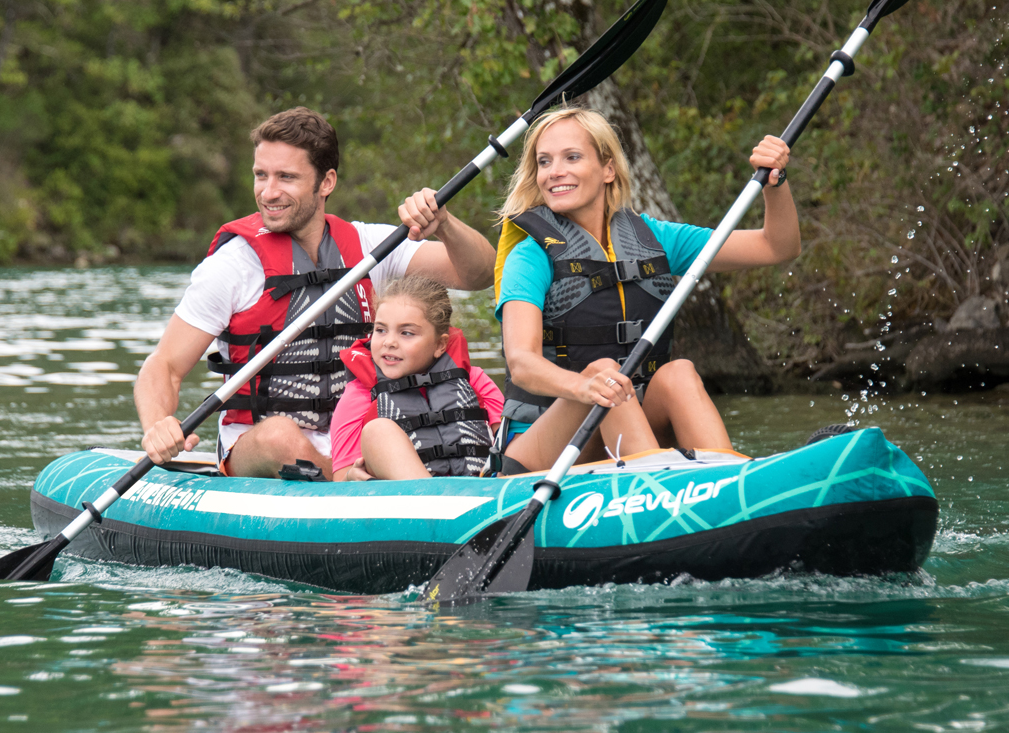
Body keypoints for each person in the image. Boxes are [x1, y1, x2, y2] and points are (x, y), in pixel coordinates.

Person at [135, 107, 496, 479]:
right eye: (261, 175)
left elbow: (480, 274)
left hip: (364, 433)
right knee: (279, 435)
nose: (268, 192)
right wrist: (158, 423)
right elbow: (164, 365)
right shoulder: (231, 267)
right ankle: (349, 480)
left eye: (286, 177)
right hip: (262, 446)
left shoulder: (371, 246)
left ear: (326, 182)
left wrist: (446, 225)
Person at [495, 106, 799, 474]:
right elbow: (522, 365)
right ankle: (660, 489)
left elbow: (776, 247)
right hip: (542, 446)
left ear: (608, 169)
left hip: (627, 420)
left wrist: (775, 185)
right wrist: (586, 388)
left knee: (678, 373)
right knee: (606, 373)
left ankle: (729, 480)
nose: (554, 172)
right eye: (544, 162)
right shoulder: (529, 255)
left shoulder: (654, 238)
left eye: (572, 157)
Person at [331, 275, 504, 481]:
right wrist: (351, 476)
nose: (390, 342)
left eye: (406, 333)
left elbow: (507, 444)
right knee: (377, 431)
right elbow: (341, 477)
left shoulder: (474, 379)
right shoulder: (358, 395)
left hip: (479, 487)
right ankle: (437, 502)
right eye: (380, 330)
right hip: (410, 499)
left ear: (440, 345)